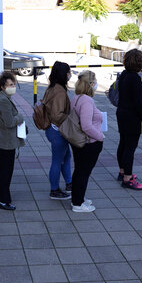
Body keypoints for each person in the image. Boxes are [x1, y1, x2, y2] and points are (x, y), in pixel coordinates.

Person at [68, 70, 103, 214]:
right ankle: (78, 203)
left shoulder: (76, 97)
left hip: (79, 142)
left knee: (79, 171)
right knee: (83, 172)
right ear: (91, 84)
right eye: (95, 81)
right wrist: (100, 136)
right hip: (89, 143)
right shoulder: (87, 101)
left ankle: (78, 198)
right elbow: (86, 125)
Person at [116, 49, 142, 191]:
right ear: (139, 62)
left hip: (122, 113)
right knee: (130, 147)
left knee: (123, 143)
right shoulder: (135, 78)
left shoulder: (124, 75)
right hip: (132, 116)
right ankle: (127, 178)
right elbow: (138, 104)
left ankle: (122, 171)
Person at [0, 70, 25, 211]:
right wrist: (21, 118)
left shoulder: (3, 98)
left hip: (5, 139)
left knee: (3, 169)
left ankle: (1, 196)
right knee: (5, 171)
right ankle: (2, 199)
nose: (13, 87)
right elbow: (9, 122)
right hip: (6, 140)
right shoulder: (3, 101)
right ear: (2, 87)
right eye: (10, 84)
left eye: (14, 84)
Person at [41, 61, 73, 199]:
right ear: (63, 74)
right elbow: (57, 115)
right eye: (68, 72)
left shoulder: (51, 88)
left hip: (52, 130)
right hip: (57, 131)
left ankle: (69, 183)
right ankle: (54, 190)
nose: (70, 75)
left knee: (66, 157)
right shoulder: (60, 91)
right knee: (57, 160)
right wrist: (71, 119)